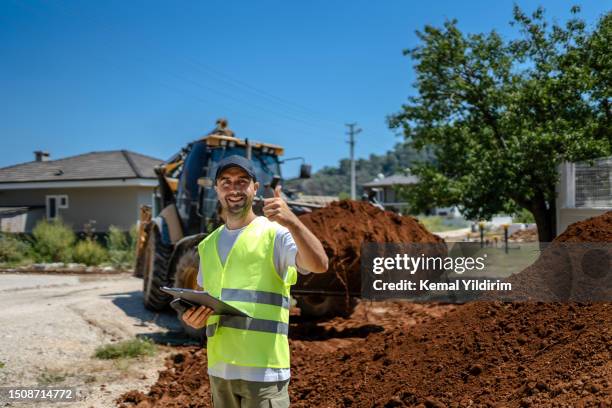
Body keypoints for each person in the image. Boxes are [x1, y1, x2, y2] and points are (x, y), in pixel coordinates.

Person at [182, 155, 328, 408]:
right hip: (220, 371)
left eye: (242, 181)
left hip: (265, 373)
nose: (234, 188)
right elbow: (209, 303)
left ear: (255, 188)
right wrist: (194, 317)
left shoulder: (276, 234)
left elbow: (319, 264)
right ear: (216, 189)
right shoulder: (207, 245)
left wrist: (292, 220)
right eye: (225, 181)